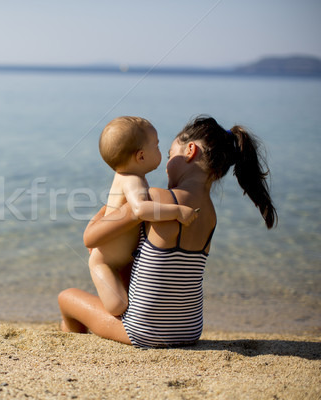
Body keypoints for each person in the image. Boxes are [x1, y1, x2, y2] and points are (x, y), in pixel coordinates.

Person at [59, 115, 277, 347]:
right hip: (190, 330)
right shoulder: (210, 214)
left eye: (171, 154)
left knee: (67, 298)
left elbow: (91, 238)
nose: (165, 164)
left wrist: (105, 214)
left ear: (190, 151)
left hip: (144, 331)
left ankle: (72, 345)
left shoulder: (156, 200)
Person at [89, 116, 198, 317]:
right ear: (141, 156)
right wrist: (177, 211)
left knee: (131, 300)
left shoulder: (128, 176)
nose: (160, 151)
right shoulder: (132, 181)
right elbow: (140, 210)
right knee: (118, 306)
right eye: (156, 147)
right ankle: (92, 313)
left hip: (121, 256)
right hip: (105, 261)